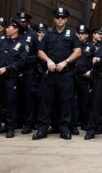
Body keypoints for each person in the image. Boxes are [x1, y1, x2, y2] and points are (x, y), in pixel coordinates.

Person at [32, 7, 81, 140]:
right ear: (54, 19)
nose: (60, 19)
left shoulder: (71, 33)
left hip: (65, 73)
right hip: (50, 73)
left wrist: (66, 62)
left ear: (66, 19)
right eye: (58, 17)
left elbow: (77, 51)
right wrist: (48, 61)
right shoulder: (48, 33)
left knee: (65, 101)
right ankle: (42, 129)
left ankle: (64, 128)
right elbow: (40, 51)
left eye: (63, 17)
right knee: (45, 101)